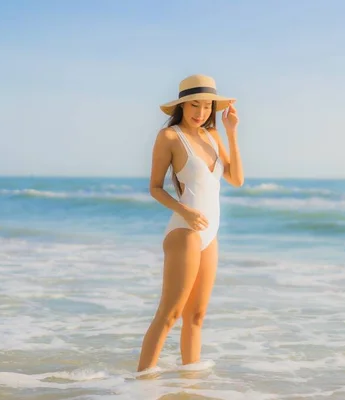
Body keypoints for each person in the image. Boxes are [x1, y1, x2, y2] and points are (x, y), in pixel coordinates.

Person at [137, 74, 244, 372]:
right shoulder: (170, 137)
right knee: (169, 314)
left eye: (207, 106)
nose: (201, 112)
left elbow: (236, 179)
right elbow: (155, 187)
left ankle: (190, 385)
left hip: (210, 235)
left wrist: (231, 132)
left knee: (196, 316)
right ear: (182, 106)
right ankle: (142, 383)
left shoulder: (213, 137)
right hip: (184, 231)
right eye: (194, 105)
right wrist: (185, 211)